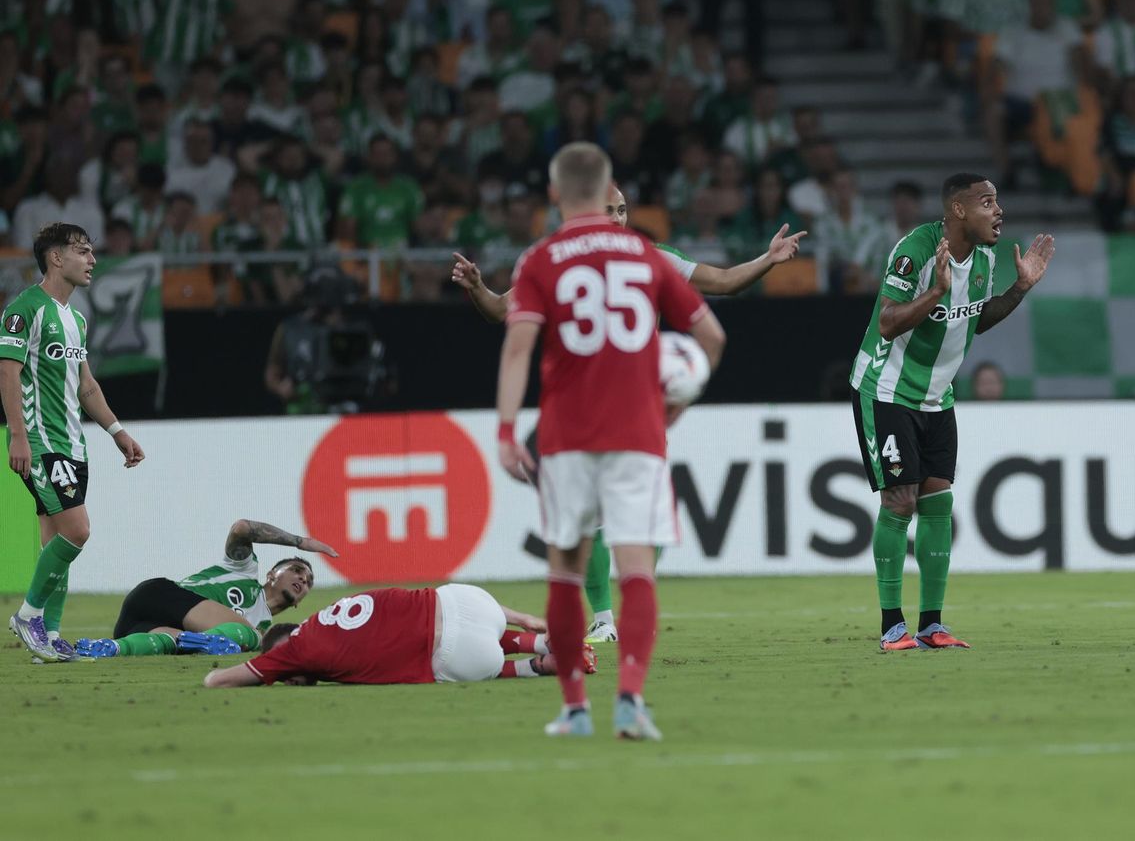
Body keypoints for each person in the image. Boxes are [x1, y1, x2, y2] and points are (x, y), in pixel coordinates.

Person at [453, 181, 802, 644]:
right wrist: (479, 288)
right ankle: (604, 619)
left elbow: (720, 281)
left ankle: (636, 609)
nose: (617, 219)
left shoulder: (647, 255)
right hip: (579, 400)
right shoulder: (556, 260)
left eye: (621, 210)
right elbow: (499, 310)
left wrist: (766, 260)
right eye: (607, 210)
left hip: (636, 402)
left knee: (640, 507)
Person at [494, 142, 726, 740]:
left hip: (566, 438)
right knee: (636, 571)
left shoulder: (540, 260)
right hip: (636, 434)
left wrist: (504, 430)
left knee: (566, 574)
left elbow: (517, 347)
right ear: (607, 193)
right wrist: (671, 409)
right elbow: (713, 338)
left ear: (554, 195)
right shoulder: (644, 254)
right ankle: (630, 702)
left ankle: (574, 709)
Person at [850, 173, 1055, 652]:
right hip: (888, 390)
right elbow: (885, 323)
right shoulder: (916, 250)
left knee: (938, 500)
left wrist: (1020, 289)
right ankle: (891, 627)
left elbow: (974, 320)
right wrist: (935, 292)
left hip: (938, 396)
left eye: (998, 201)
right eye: (987, 202)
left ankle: (931, 625)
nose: (998, 211)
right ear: (958, 210)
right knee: (900, 501)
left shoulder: (984, 257)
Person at [4, 223, 145, 662]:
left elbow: (86, 387)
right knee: (78, 531)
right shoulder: (24, 309)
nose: (93, 261)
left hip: (73, 444)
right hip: (42, 442)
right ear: (56, 258)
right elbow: (7, 371)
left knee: (55, 544)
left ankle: (48, 634)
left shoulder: (76, 319)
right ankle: (28, 616)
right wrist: (18, 436)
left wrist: (117, 430)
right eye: (83, 251)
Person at [201, 584, 595, 687]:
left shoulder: (296, 649)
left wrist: (268, 671)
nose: (292, 680)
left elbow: (217, 680)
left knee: (452, 658)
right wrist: (524, 616)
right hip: (475, 601)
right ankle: (541, 640)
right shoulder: (333, 609)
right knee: (444, 608)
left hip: (465, 657)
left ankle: (534, 667)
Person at [75, 519, 337, 657]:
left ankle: (109, 648)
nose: (303, 579)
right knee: (252, 637)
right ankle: (198, 643)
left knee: (167, 644)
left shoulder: (263, 628)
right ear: (271, 574)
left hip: (137, 630)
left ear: (298, 602)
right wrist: (298, 542)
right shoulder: (243, 571)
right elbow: (242, 528)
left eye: (309, 581)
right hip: (158, 596)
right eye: (297, 570)